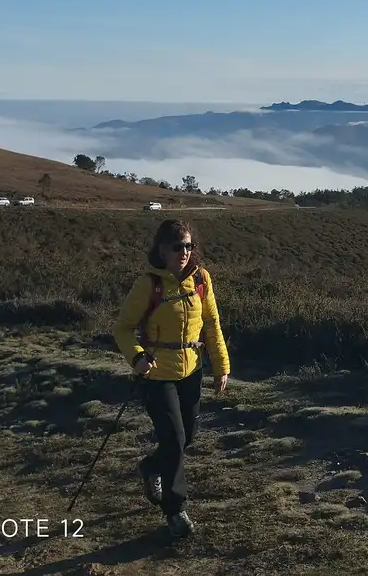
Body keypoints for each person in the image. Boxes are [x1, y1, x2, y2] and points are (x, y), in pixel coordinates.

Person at [113, 220, 229, 539]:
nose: (184, 253)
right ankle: (175, 510)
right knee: (175, 440)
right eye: (178, 247)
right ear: (162, 249)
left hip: (191, 370)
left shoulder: (201, 279)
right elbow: (122, 329)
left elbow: (212, 325)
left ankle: (151, 467)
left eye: (189, 246)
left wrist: (221, 366)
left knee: (186, 436)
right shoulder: (149, 285)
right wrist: (137, 357)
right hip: (156, 375)